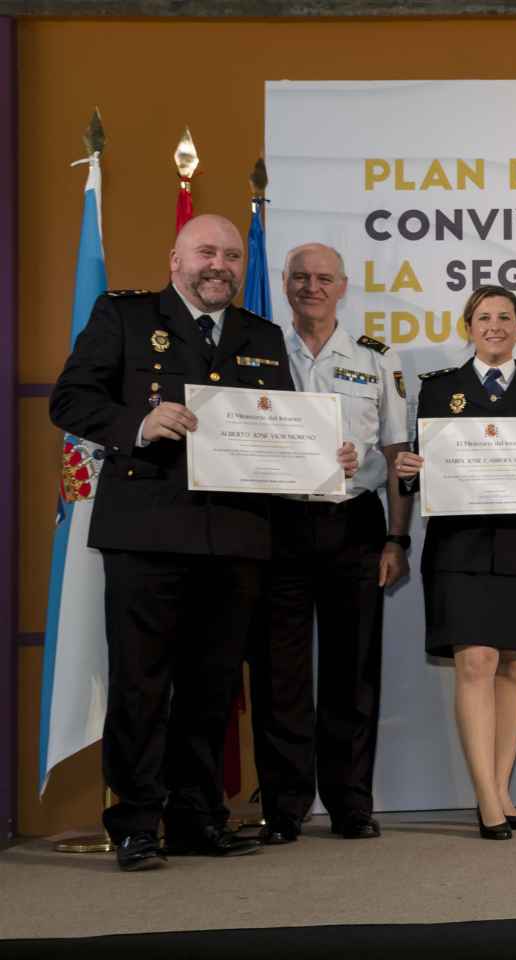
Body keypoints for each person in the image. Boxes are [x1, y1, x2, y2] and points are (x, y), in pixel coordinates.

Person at [49, 214, 348, 870]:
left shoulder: (261, 335)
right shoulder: (124, 317)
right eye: (206, 252)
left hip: (236, 536)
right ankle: (134, 821)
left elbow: (281, 431)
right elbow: (69, 400)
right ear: (175, 258)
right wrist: (139, 421)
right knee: (141, 684)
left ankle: (194, 816)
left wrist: (324, 455)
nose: (221, 264)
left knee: (213, 686)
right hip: (147, 532)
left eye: (233, 256)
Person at [395, 285, 516, 839]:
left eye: (506, 317)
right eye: (484, 317)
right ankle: (485, 798)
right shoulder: (439, 391)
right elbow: (421, 469)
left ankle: (502, 788)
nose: (495, 326)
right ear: (468, 326)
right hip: (461, 549)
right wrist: (410, 470)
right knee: (475, 660)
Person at [246, 243, 412, 844]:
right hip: (279, 526)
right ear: (285, 285)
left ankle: (350, 803)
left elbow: (397, 457)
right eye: (300, 278)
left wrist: (399, 538)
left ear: (343, 287)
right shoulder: (257, 352)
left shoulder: (376, 359)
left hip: (354, 525)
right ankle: (284, 807)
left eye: (323, 278)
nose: (311, 287)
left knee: (354, 670)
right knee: (278, 672)